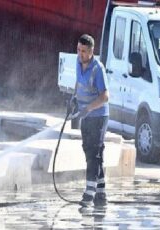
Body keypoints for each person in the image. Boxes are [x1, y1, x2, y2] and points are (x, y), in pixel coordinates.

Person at [70, 34, 109, 207]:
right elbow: (78, 83)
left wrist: (88, 108)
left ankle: (89, 193)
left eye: (84, 51)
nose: (80, 54)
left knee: (94, 154)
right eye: (78, 50)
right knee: (90, 151)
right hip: (85, 116)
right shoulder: (78, 63)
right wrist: (73, 99)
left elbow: (105, 96)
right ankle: (101, 192)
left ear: (91, 51)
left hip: (98, 116)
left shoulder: (97, 69)